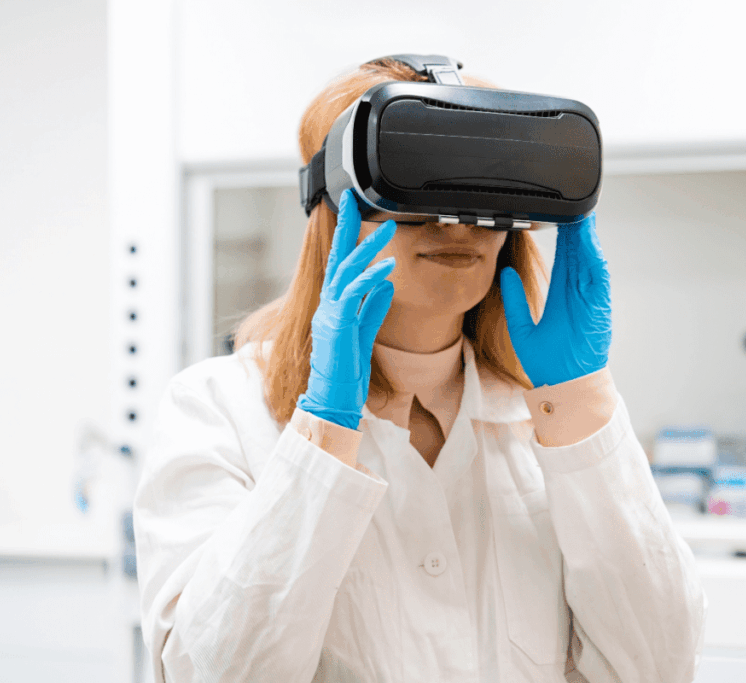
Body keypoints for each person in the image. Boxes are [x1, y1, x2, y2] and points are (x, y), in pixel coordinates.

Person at [134, 57, 707, 683]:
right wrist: (322, 437)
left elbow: (659, 666)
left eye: (481, 190)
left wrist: (580, 406)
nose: (455, 222)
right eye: (415, 182)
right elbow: (210, 673)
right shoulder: (218, 409)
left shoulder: (551, 421)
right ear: (333, 204)